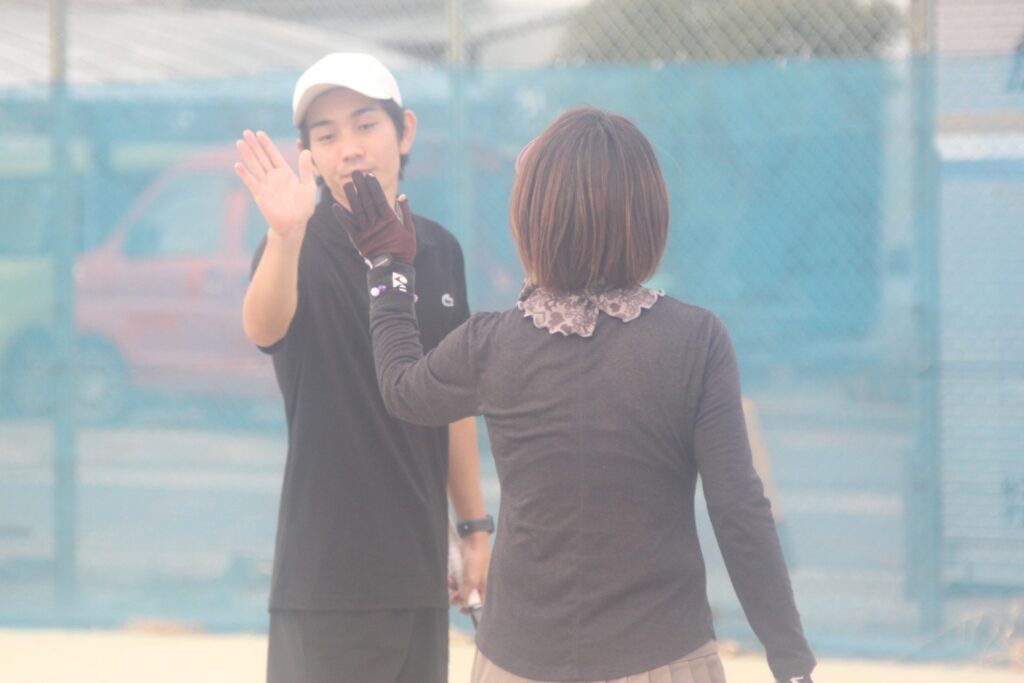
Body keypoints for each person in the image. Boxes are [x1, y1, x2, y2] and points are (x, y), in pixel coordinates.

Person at [339, 107, 817, 683]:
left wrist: (388, 268)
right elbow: (739, 512)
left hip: (515, 662)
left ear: (531, 220)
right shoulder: (695, 340)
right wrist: (791, 662)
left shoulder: (493, 343)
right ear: (649, 217)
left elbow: (401, 388)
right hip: (663, 659)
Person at [233, 52, 492, 683]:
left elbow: (454, 399)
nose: (349, 148)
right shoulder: (293, 244)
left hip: (422, 578)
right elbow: (263, 329)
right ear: (308, 156)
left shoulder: (439, 249)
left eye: (365, 125)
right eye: (326, 135)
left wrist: (474, 528)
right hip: (327, 585)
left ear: (405, 131)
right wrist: (285, 235)